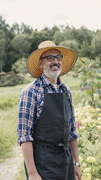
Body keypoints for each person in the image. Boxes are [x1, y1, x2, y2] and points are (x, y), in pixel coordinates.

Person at [17, 40, 82, 180]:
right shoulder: (31, 92)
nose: (55, 62)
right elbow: (24, 136)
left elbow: (72, 132)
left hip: (66, 162)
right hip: (43, 165)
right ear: (40, 63)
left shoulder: (66, 90)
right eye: (50, 58)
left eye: (58, 58)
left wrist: (76, 163)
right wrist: (32, 173)